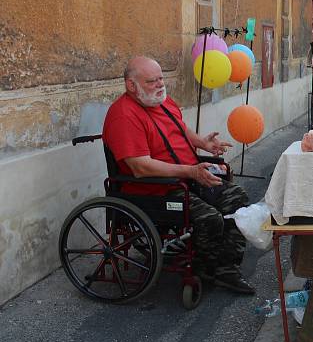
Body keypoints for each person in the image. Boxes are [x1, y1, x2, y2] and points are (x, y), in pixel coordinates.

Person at [102, 56, 255, 294]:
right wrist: (190, 171)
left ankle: (225, 269)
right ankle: (204, 269)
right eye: (152, 81)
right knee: (210, 218)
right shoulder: (123, 115)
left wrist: (202, 143)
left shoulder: (162, 102)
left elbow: (179, 127)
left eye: (161, 78)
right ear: (131, 86)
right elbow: (140, 167)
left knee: (237, 198)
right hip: (156, 189)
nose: (160, 85)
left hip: (186, 177)